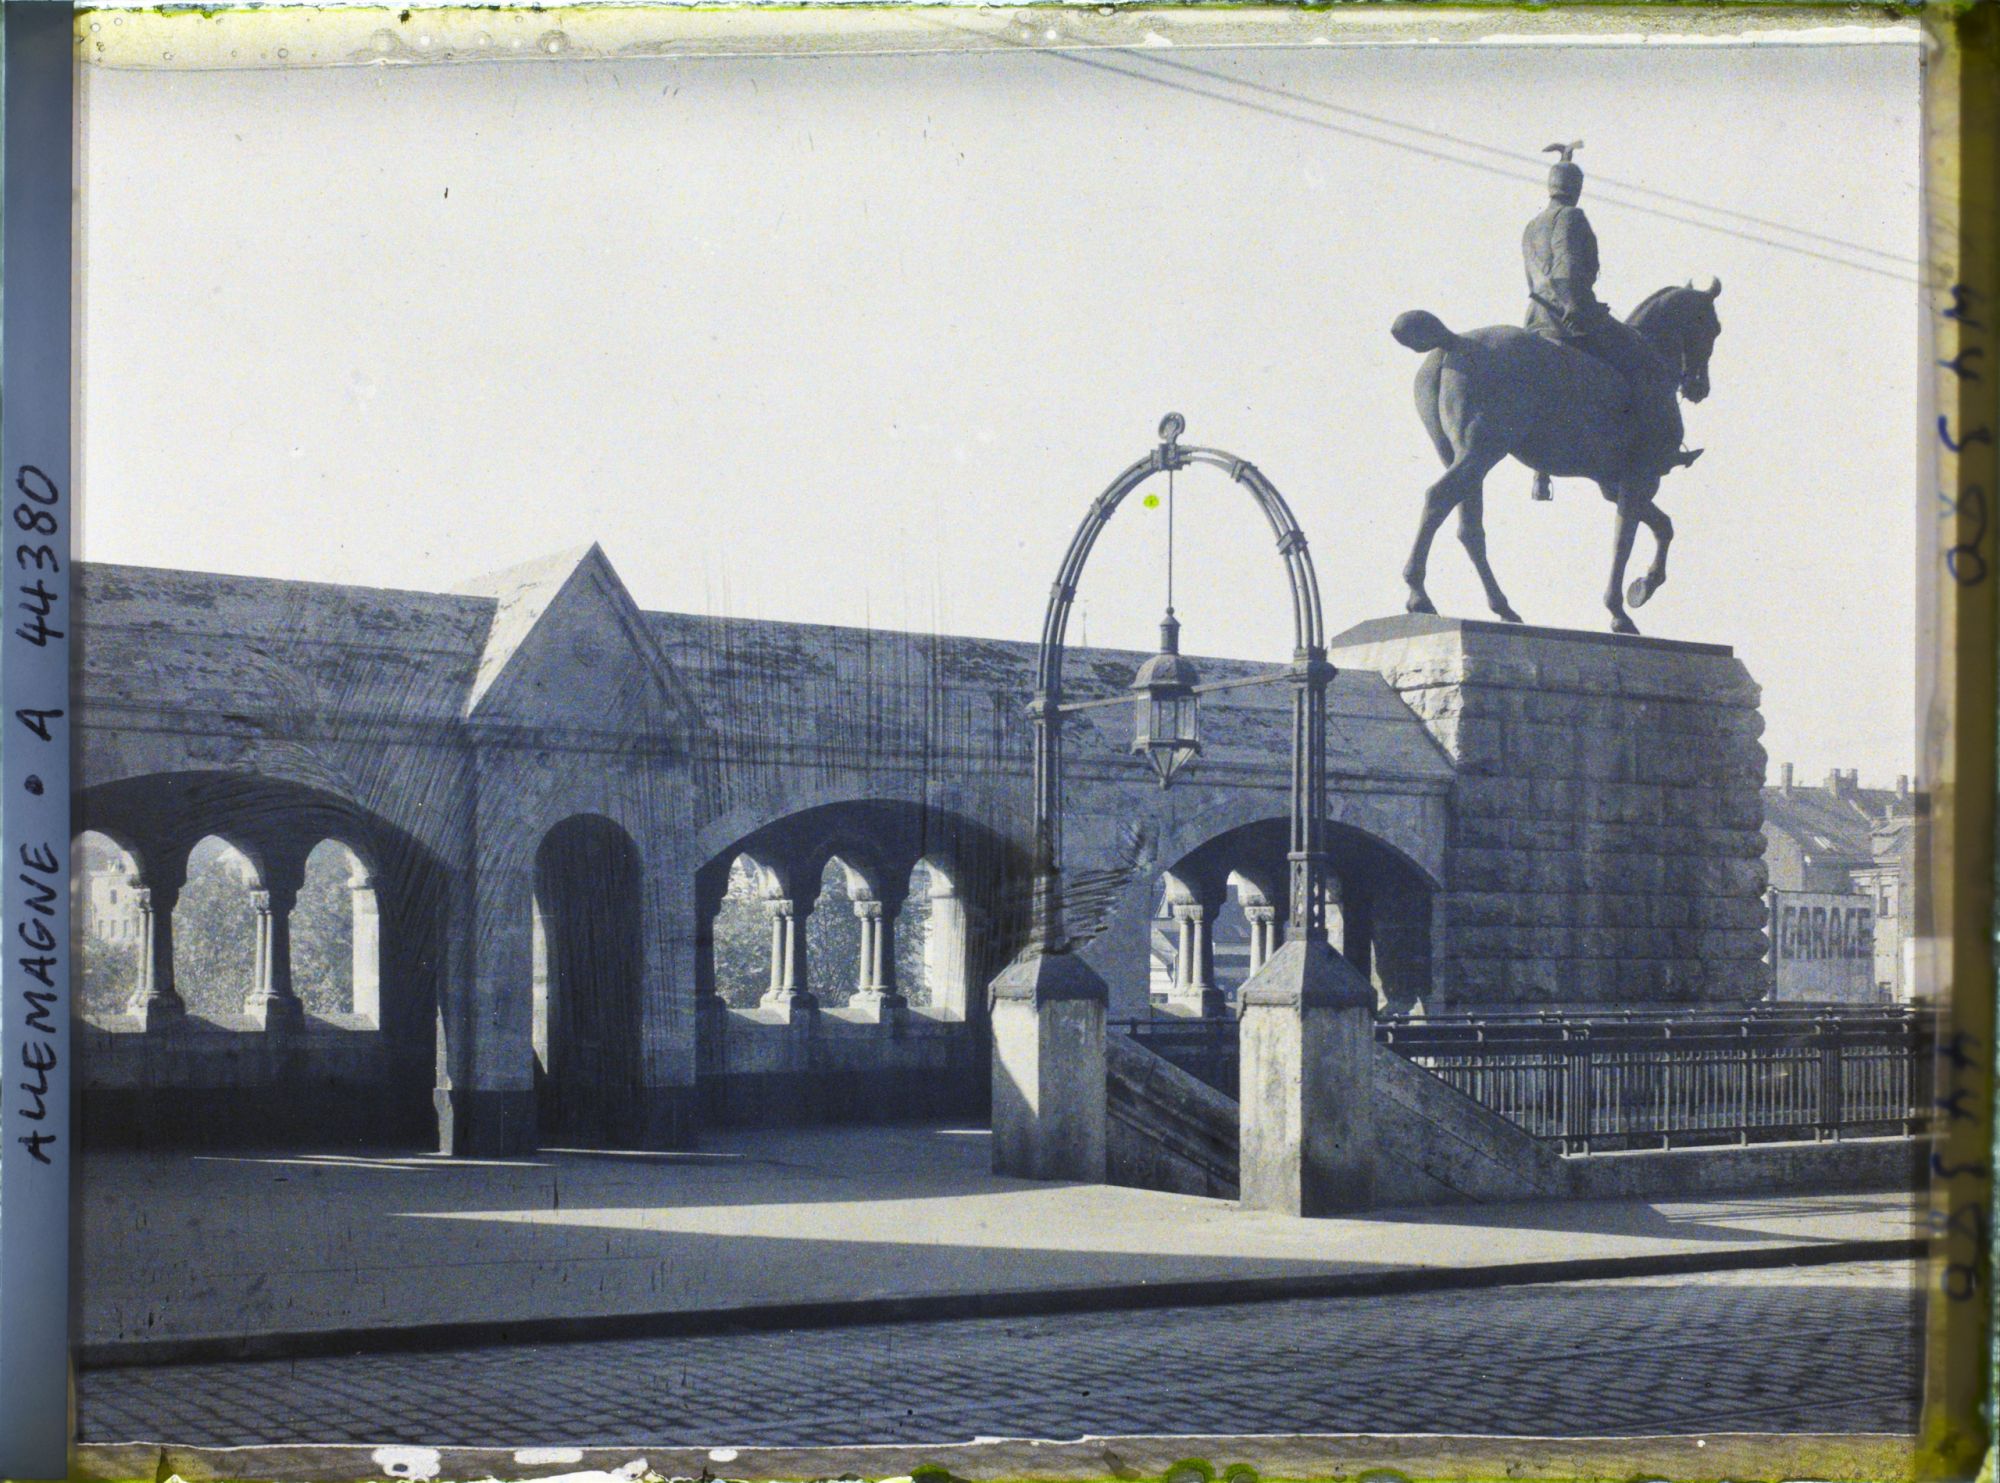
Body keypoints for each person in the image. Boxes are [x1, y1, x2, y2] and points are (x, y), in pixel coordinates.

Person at [1521, 142, 1684, 499]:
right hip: (1573, 315)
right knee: (1644, 357)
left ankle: (1540, 474)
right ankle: (1646, 452)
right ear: (1575, 189)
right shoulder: (1572, 218)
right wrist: (1577, 306)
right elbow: (1566, 267)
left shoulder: (1532, 224)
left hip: (1536, 318)